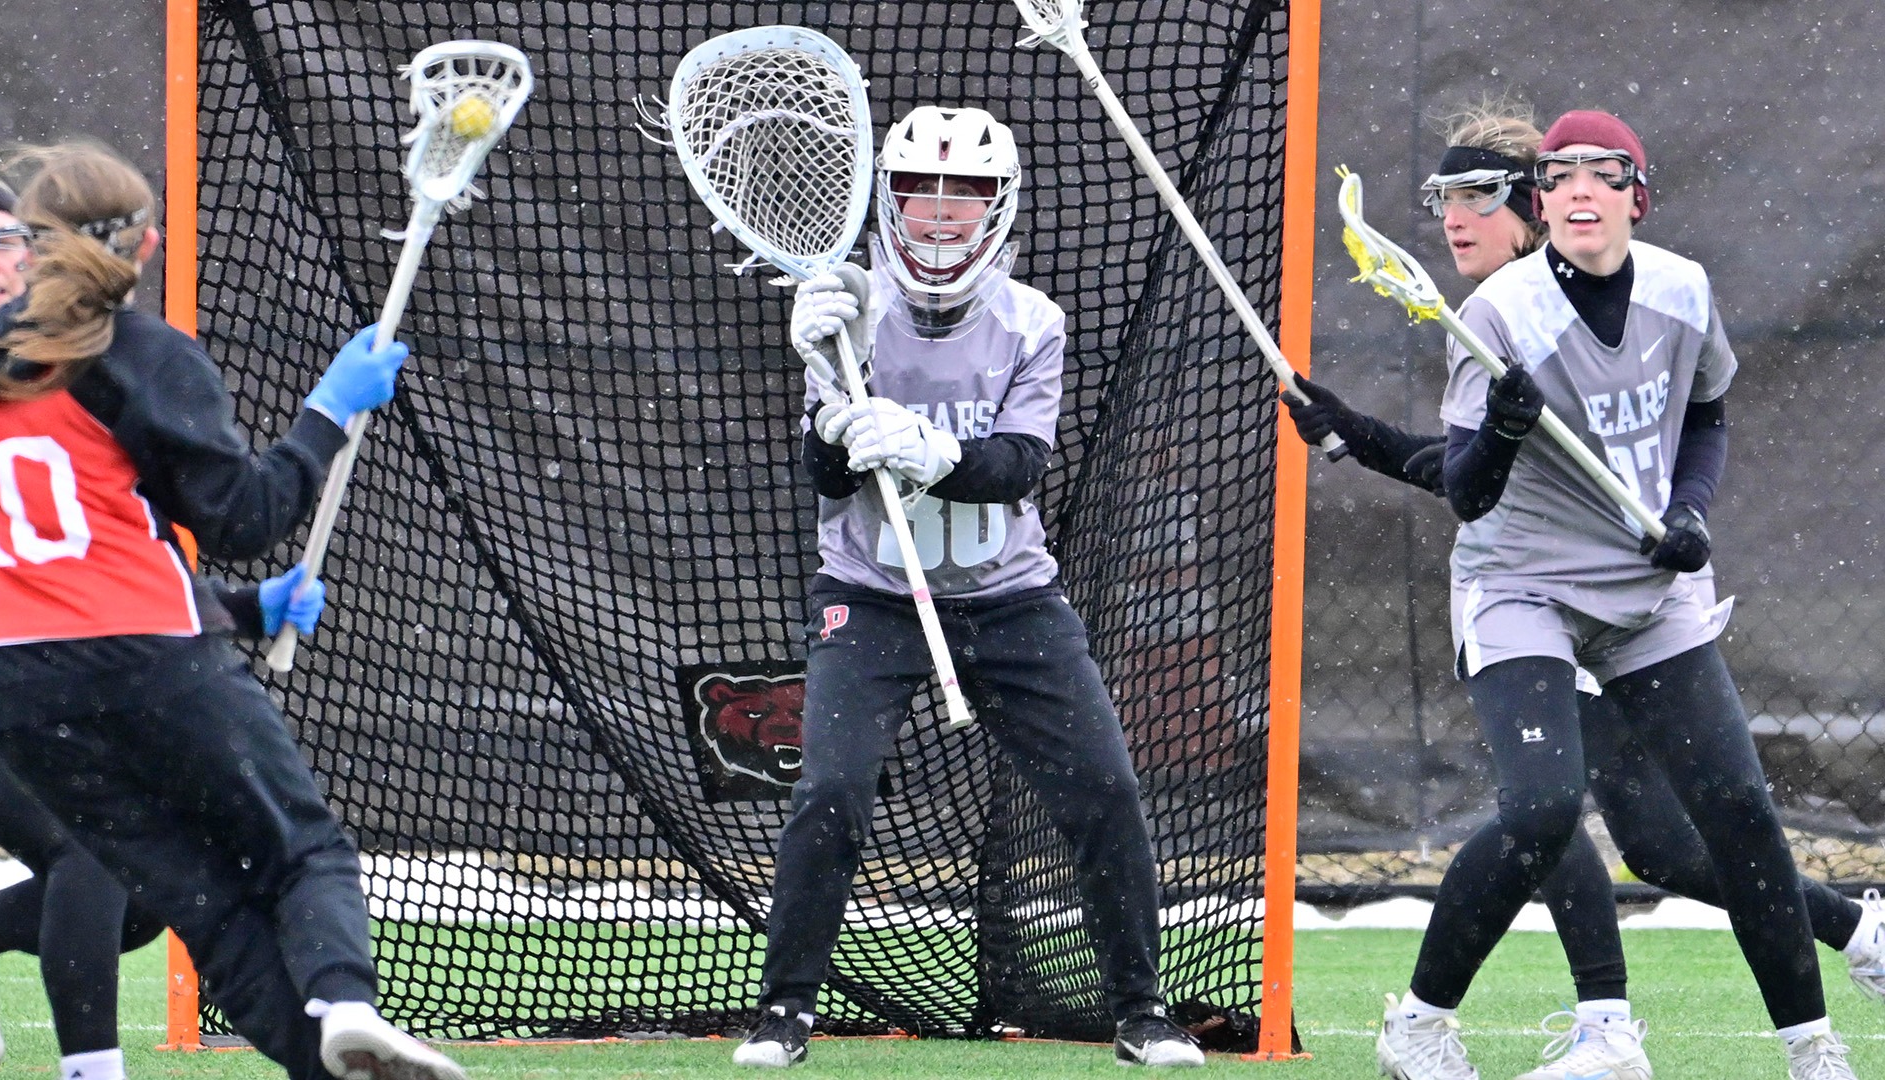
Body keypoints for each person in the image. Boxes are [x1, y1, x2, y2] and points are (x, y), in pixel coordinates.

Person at [1286, 103, 1885, 1080]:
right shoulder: (1495, 318)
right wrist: (1360, 434)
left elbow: (1664, 429)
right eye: (1445, 198)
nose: (1454, 217)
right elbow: (1477, 477)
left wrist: (1686, 509)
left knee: (1669, 832)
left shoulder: (1644, 298)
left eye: (1480, 194)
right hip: (1530, 592)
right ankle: (1614, 1018)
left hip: (1636, 598)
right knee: (1558, 811)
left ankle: (1810, 969)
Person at [0, 140, 462, 1080]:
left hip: (14, 696)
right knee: (300, 853)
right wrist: (327, 411)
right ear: (145, 244)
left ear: (34, 246)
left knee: (204, 910)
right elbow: (245, 516)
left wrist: (238, 608)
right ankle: (346, 1002)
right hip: (146, 664)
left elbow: (59, 545)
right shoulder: (134, 353)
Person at [729, 106, 1204, 1069]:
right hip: (869, 596)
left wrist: (928, 449)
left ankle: (1140, 1011)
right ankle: (784, 1011)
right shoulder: (845, 305)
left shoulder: (1034, 320)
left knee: (1106, 790)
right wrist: (832, 417)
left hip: (1009, 598)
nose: (941, 214)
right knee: (831, 791)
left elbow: (1017, 467)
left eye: (966, 193)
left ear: (998, 205)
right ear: (889, 200)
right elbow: (819, 474)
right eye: (920, 190)